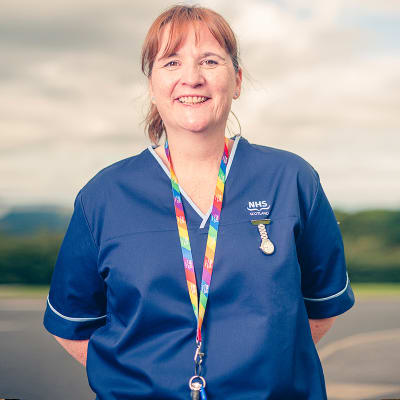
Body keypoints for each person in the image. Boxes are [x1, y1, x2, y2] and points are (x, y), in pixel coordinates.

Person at [43, 4, 355, 400]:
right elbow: (73, 323)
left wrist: (266, 372)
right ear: (152, 84)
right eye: (171, 62)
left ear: (237, 80)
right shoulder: (103, 196)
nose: (191, 78)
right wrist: (138, 382)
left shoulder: (292, 180)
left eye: (209, 60)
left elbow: (322, 306)